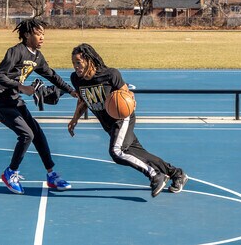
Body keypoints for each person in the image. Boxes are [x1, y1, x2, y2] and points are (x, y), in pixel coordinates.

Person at [67, 43, 188, 198]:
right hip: (108, 125)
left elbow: (126, 94)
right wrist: (75, 119)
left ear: (89, 60)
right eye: (73, 63)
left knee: (117, 152)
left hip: (122, 118)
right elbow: (83, 100)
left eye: (78, 62)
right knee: (137, 153)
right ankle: (177, 174)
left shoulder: (110, 74)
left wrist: (131, 100)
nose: (76, 67)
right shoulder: (76, 79)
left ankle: (155, 175)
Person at [0, 18, 78, 195]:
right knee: (26, 134)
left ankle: (51, 175)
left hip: (13, 99)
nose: (42, 37)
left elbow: (52, 76)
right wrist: (21, 87)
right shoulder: (16, 51)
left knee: (37, 132)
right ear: (27, 35)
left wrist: (71, 91)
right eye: (38, 34)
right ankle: (10, 173)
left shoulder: (37, 56)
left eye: (43, 34)